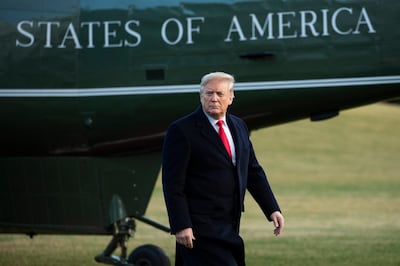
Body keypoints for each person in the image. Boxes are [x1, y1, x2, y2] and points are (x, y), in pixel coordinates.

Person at [162, 72, 284, 266]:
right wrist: (181, 225)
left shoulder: (239, 126)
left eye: (219, 93)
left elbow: (252, 171)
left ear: (231, 97)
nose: (214, 98)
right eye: (209, 93)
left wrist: (272, 209)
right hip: (199, 227)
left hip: (230, 223)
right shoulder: (182, 130)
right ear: (200, 96)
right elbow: (172, 183)